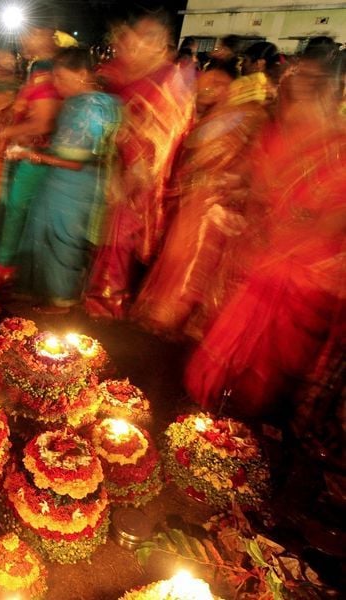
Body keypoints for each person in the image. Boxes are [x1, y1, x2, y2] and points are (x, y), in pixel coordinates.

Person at [184, 51, 346, 417]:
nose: (290, 107)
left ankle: (253, 417)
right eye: (289, 96)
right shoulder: (277, 133)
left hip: (305, 268)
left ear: (328, 98)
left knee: (276, 356)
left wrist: (286, 236)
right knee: (236, 340)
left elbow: (334, 219)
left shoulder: (338, 150)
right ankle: (226, 409)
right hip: (264, 254)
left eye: (303, 96)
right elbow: (257, 181)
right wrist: (235, 188)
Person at [131, 63, 270, 338]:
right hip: (196, 197)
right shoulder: (212, 115)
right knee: (180, 255)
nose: (199, 92)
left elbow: (254, 162)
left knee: (196, 259)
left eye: (205, 87)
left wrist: (223, 183)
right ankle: (168, 314)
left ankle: (176, 316)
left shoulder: (249, 115)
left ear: (222, 86)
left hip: (216, 203)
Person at [82, 11, 195, 319]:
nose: (137, 44)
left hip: (139, 174)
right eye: (137, 36)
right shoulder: (125, 72)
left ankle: (108, 302)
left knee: (119, 239)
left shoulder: (169, 79)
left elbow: (164, 133)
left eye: (149, 38)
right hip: (107, 165)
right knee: (101, 234)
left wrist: (132, 170)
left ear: (163, 44)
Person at [12, 47, 121, 310]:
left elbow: (75, 160)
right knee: (40, 229)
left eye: (62, 78)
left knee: (63, 240)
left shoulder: (92, 107)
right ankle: (36, 289)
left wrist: (32, 156)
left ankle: (62, 299)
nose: (57, 85)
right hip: (60, 181)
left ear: (82, 74)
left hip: (77, 185)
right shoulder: (80, 103)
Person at [0, 25, 62, 286]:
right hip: (24, 151)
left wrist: (2, 132)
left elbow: (42, 123)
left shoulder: (46, 69)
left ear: (48, 33)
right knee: (10, 208)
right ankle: (2, 267)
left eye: (32, 33)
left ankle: (5, 272)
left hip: (36, 152)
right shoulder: (39, 66)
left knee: (16, 210)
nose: (25, 39)